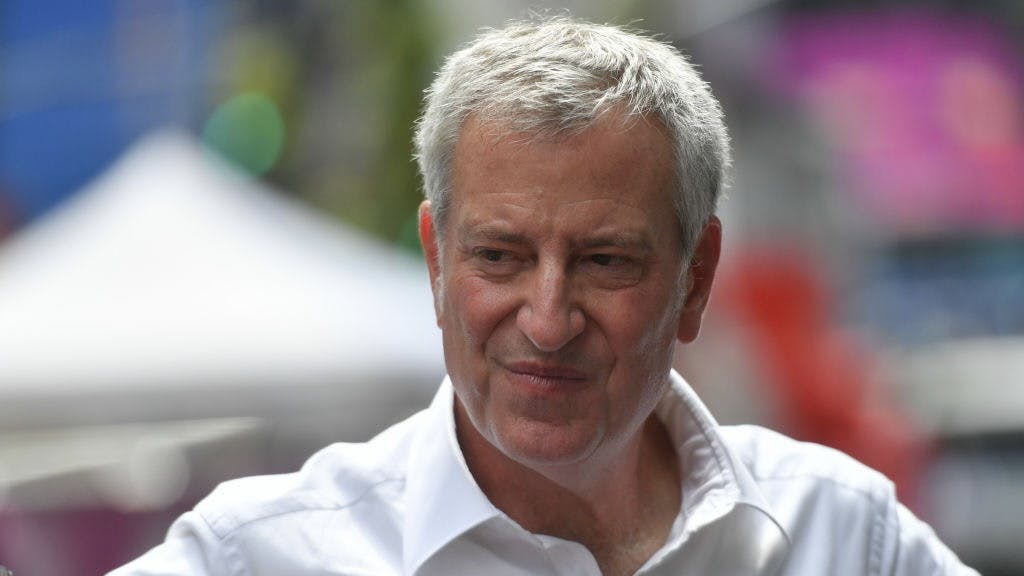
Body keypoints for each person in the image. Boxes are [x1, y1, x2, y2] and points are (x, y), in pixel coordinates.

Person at [110, 16, 977, 576]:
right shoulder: (260, 556)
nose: (549, 320)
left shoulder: (842, 534)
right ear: (436, 262)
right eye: (499, 257)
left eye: (604, 261)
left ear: (696, 277)